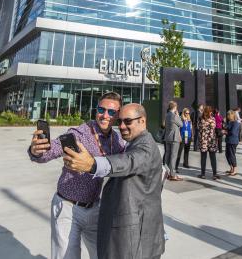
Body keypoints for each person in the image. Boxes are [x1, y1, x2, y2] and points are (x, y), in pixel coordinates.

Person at [28, 92, 125, 259]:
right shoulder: (79, 133)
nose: (105, 115)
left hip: (95, 208)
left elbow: (126, 162)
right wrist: (36, 151)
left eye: (111, 112)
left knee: (104, 254)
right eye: (101, 109)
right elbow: (51, 152)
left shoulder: (116, 141)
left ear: (118, 115)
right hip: (68, 207)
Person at [63, 103, 165, 259]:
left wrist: (92, 164)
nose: (122, 126)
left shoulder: (145, 147)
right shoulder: (133, 143)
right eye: (120, 121)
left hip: (134, 242)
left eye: (128, 121)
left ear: (142, 121)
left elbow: (128, 161)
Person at [198, 105, 219, 180]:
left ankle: (203, 174)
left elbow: (199, 128)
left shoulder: (200, 119)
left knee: (203, 157)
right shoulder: (212, 119)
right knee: (213, 157)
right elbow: (213, 128)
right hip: (211, 140)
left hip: (203, 140)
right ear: (208, 112)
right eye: (210, 111)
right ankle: (214, 174)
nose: (211, 113)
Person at [163, 101, 182, 181]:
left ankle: (166, 173)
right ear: (175, 107)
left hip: (167, 138)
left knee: (167, 156)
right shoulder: (174, 116)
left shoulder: (167, 115)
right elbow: (181, 124)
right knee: (173, 157)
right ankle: (172, 175)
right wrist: (178, 115)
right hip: (174, 138)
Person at [224, 109, 241, 176]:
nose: (227, 116)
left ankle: (234, 170)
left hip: (233, 141)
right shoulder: (230, 122)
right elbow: (226, 127)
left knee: (232, 155)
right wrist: (224, 123)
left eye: (228, 115)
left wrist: (225, 132)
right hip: (228, 140)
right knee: (227, 154)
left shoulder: (236, 123)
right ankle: (231, 168)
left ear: (232, 115)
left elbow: (233, 132)